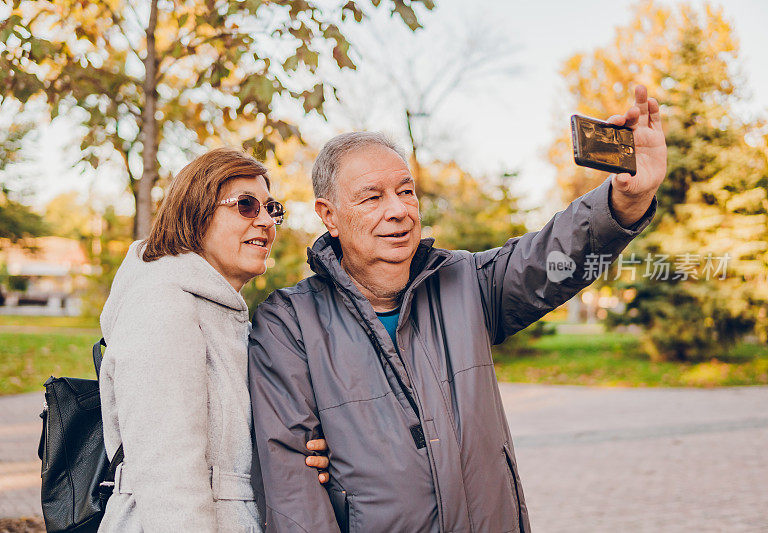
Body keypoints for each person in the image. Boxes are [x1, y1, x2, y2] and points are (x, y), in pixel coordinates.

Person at [248, 85, 666, 532]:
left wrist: (625, 199)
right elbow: (293, 490)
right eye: (372, 197)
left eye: (406, 191)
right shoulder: (287, 325)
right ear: (328, 215)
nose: (398, 211)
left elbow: (550, 257)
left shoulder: (466, 281)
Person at [98, 148, 329, 532]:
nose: (266, 221)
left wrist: (303, 454)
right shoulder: (164, 303)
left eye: (272, 208)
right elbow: (168, 476)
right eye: (246, 206)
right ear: (196, 213)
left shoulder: (217, 311)